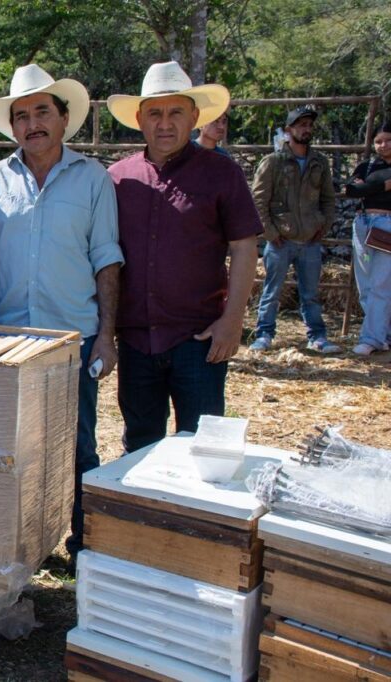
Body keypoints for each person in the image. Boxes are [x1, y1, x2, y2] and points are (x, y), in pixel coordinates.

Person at [0, 64, 123, 571]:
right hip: (11, 340)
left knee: (78, 444)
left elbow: (107, 259)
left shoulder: (93, 179)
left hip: (74, 337)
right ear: (12, 126)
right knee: (13, 449)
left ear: (64, 118)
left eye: (42, 112)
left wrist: (107, 337)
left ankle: (83, 547)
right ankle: (18, 547)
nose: (32, 124)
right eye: (21, 116)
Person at [106, 61, 262, 453]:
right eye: (154, 114)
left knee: (203, 448)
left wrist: (232, 321)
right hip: (137, 339)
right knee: (140, 446)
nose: (165, 124)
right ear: (139, 119)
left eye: (176, 112)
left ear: (194, 117)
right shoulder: (118, 178)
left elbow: (244, 247)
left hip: (199, 338)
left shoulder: (221, 173)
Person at [249, 107, 340, 353]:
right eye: (301, 125)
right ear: (289, 130)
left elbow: (328, 198)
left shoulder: (319, 163)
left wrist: (323, 226)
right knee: (272, 291)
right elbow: (259, 200)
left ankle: (317, 336)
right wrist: (270, 233)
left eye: (309, 125)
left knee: (311, 293)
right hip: (281, 239)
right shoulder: (273, 162)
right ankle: (264, 334)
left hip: (309, 239)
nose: (306, 129)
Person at [345, 121, 391, 356]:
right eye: (378, 141)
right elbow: (352, 190)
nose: (383, 145)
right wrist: (384, 185)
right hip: (362, 224)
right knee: (365, 285)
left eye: (388, 140)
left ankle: (370, 339)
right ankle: (383, 335)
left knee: (381, 284)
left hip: (387, 225)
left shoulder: (368, 172)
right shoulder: (367, 165)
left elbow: (363, 189)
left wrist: (369, 187)